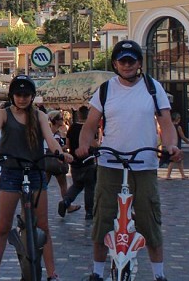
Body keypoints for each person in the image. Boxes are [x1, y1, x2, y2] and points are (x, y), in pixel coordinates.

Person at [76, 40, 182, 281]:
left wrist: (171, 145)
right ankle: (97, 272)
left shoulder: (153, 88)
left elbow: (166, 124)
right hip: (110, 163)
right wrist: (84, 145)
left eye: (131, 60)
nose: (126, 65)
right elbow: (89, 126)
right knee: (103, 217)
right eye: (122, 61)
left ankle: (159, 274)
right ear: (115, 63)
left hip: (144, 164)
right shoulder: (105, 90)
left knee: (149, 218)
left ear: (139, 63)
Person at [0, 75, 70, 281]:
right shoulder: (3, 114)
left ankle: (52, 274)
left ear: (32, 96)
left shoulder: (39, 116)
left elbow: (50, 139)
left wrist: (60, 153)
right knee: (3, 226)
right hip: (11, 172)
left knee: (43, 226)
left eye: (26, 95)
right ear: (12, 95)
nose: (22, 98)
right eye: (18, 94)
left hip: (36, 171)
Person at [59, 105, 97, 220]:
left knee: (76, 185)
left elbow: (68, 144)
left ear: (79, 114)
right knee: (90, 187)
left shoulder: (72, 127)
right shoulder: (90, 128)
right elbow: (94, 144)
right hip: (88, 162)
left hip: (75, 161)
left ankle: (66, 201)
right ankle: (89, 212)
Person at [164, 112, 189, 179]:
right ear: (177, 119)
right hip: (176, 145)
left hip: (170, 144)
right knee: (173, 160)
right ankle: (168, 175)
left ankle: (182, 175)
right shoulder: (178, 127)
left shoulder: (169, 126)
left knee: (179, 161)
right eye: (179, 118)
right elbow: (183, 137)